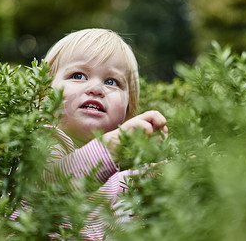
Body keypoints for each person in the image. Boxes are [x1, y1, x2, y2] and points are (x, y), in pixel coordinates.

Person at [14, 28, 168, 240]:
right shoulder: (41, 140)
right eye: (78, 76)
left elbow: (115, 191)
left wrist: (153, 175)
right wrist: (111, 146)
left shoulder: (116, 165)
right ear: (43, 95)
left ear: (127, 110)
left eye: (112, 82)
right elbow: (54, 181)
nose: (96, 88)